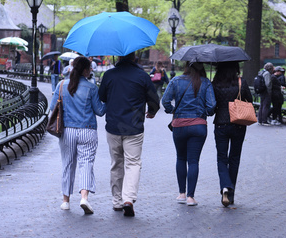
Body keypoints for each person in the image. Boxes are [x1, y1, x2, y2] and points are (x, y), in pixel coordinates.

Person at [98, 52, 159, 217]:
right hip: (134, 126)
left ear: (118, 57)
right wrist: (152, 111)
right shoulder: (142, 76)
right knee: (133, 164)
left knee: (116, 163)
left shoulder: (109, 74)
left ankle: (117, 201)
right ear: (134, 58)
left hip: (113, 126)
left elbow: (101, 96)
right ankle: (128, 199)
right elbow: (154, 98)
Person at [48, 56, 106, 215]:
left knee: (68, 164)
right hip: (88, 130)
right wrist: (106, 99)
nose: (92, 71)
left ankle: (65, 201)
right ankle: (84, 198)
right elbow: (100, 111)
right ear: (85, 70)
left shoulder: (61, 85)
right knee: (86, 163)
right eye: (90, 68)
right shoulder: (92, 88)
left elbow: (53, 107)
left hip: (67, 131)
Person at [161, 61, 216, 207]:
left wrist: (171, 110)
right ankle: (191, 197)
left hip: (179, 124)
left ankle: (181, 194)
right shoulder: (206, 83)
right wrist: (206, 112)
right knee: (193, 161)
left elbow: (165, 100)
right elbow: (211, 106)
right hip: (198, 125)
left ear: (186, 66)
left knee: (181, 158)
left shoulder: (176, 81)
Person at [212, 61, 253, 207]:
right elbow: (250, 100)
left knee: (221, 158)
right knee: (234, 158)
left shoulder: (215, 83)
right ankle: (231, 193)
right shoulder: (241, 82)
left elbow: (211, 105)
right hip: (239, 123)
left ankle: (224, 186)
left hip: (221, 123)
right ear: (235, 68)